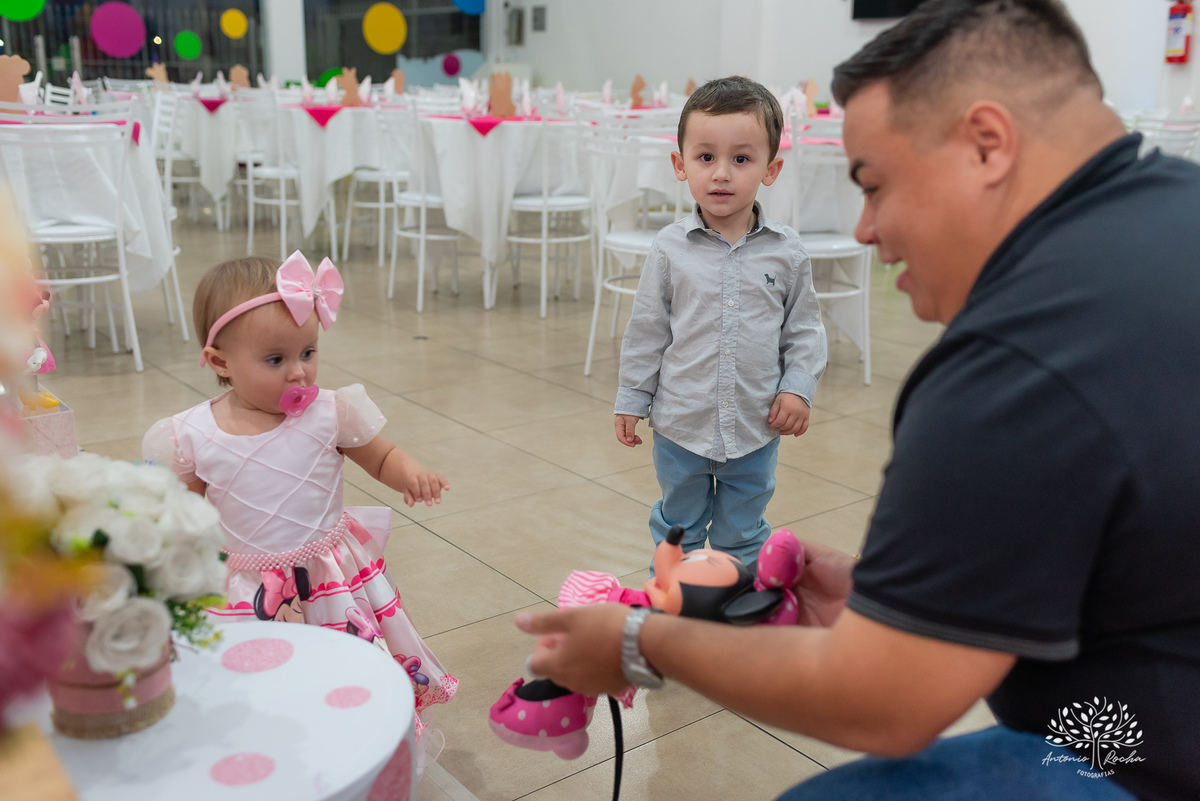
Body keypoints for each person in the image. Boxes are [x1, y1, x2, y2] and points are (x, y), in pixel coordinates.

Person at [516, 1, 1200, 798]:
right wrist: (916, 591)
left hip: (1141, 762)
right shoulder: (1174, 207)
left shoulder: (1012, 366)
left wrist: (639, 642)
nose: (866, 230)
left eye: (874, 184)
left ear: (987, 143)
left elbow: (884, 701)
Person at [143, 252, 457, 737]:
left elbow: (379, 456)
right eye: (276, 359)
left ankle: (354, 730)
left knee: (346, 662)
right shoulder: (193, 435)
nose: (299, 373)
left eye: (308, 353)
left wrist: (410, 473)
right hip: (246, 584)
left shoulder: (332, 412)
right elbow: (182, 506)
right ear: (220, 362)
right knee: (259, 674)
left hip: (331, 575)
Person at [614, 76, 827, 567]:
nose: (721, 174)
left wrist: (798, 388)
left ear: (770, 169)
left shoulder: (787, 251)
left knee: (743, 532)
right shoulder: (669, 249)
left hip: (755, 425)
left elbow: (805, 331)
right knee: (678, 528)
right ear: (680, 164)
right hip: (680, 425)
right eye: (706, 157)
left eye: (742, 159)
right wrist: (632, 396)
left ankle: (740, 613)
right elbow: (648, 330)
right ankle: (671, 607)